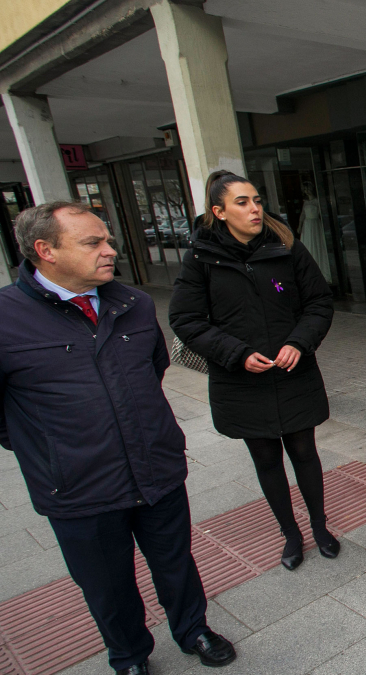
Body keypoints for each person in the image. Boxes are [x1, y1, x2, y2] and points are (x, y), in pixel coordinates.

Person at [0, 202, 236, 675]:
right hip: (79, 488)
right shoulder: (7, 318)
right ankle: (129, 656)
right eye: (93, 243)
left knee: (175, 562)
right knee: (106, 584)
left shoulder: (134, 303)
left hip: (156, 468)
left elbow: (153, 369)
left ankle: (193, 629)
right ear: (45, 250)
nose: (110, 250)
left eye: (107, 239)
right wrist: (52, 449)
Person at [170, 171, 339, 572]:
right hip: (241, 382)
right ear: (219, 212)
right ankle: (291, 534)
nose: (255, 209)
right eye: (242, 202)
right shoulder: (200, 258)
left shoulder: (286, 246)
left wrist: (298, 342)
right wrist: (237, 354)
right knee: (266, 459)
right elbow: (185, 319)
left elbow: (319, 302)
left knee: (305, 453)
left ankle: (320, 526)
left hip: (293, 374)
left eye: (257, 200)